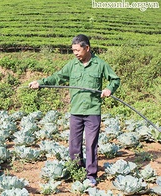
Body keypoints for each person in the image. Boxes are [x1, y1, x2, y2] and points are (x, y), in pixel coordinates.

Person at [29, 34, 120, 187]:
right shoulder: (72, 65)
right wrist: (41, 82)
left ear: (87, 48)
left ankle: (91, 175)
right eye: (73, 51)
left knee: (91, 144)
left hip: (92, 111)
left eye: (78, 50)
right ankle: (76, 171)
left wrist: (109, 89)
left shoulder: (100, 64)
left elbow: (115, 79)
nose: (76, 53)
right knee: (74, 144)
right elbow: (57, 77)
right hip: (76, 111)